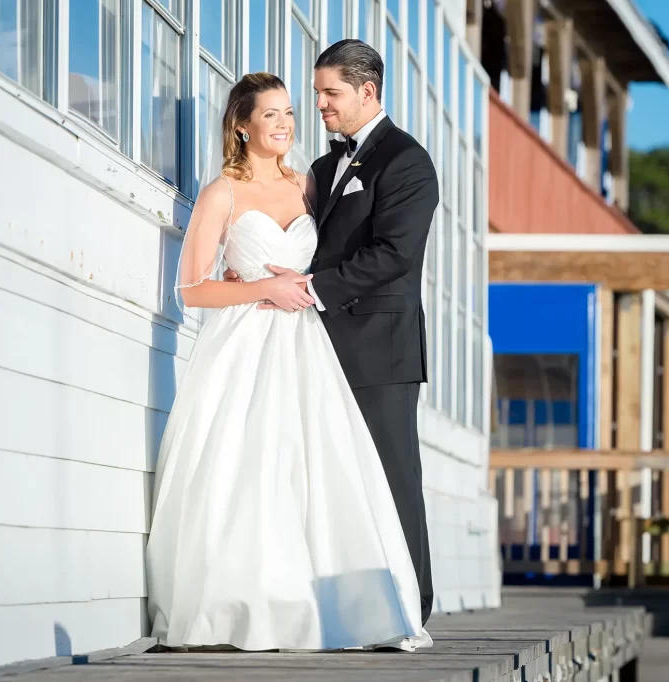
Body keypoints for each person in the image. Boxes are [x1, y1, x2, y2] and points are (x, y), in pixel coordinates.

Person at [145, 71, 433, 653]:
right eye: (271, 114)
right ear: (242, 125)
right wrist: (258, 289)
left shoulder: (312, 184)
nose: (286, 123)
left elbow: (346, 253)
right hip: (247, 349)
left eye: (290, 112)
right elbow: (192, 290)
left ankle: (334, 601)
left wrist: (300, 286)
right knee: (249, 469)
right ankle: (247, 601)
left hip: (311, 344)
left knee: (317, 467)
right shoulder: (220, 192)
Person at [229, 39, 438, 628]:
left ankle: (410, 608)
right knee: (334, 481)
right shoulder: (322, 168)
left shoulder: (408, 162)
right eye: (316, 93)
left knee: (393, 478)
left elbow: (395, 254)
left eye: (329, 93)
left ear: (367, 91)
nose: (317, 105)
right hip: (314, 349)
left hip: (380, 347)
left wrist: (312, 286)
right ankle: (348, 608)